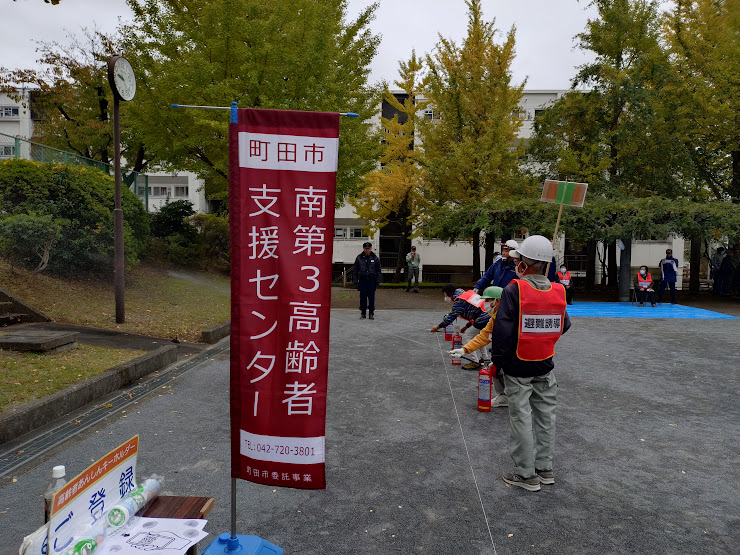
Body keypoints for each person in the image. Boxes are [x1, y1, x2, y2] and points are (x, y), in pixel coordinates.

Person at [489, 234, 571, 492]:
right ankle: (544, 469)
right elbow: (564, 325)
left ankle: (525, 474)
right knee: (546, 417)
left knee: (521, 418)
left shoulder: (514, 290)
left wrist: (498, 363)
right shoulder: (559, 290)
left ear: (525, 263)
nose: (516, 264)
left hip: (517, 366)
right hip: (545, 364)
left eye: (519, 260)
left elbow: (501, 332)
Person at [449, 286, 508, 407]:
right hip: (505, 354)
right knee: (493, 367)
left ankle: (515, 396)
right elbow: (484, 337)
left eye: (487, 300)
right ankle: (504, 396)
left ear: (497, 301)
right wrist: (464, 349)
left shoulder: (510, 316)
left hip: (518, 356)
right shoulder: (494, 318)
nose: (485, 304)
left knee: (509, 373)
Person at [431, 284, 490, 370]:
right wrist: (467, 326)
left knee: (468, 336)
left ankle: (475, 362)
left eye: (445, 295)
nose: (445, 297)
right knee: (479, 337)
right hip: (486, 315)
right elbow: (474, 311)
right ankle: (485, 359)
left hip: (482, 318)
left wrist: (437, 327)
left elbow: (450, 317)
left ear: (449, 294)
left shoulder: (459, 300)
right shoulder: (465, 294)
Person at [353, 242, 382, 319]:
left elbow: (378, 270)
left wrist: (378, 280)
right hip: (362, 280)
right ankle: (363, 312)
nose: (367, 250)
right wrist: (355, 280)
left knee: (371, 296)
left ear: (371, 248)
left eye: (368, 248)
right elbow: (355, 270)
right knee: (363, 297)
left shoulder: (375, 258)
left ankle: (371, 312)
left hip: (372, 280)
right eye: (366, 248)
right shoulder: (359, 258)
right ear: (363, 249)